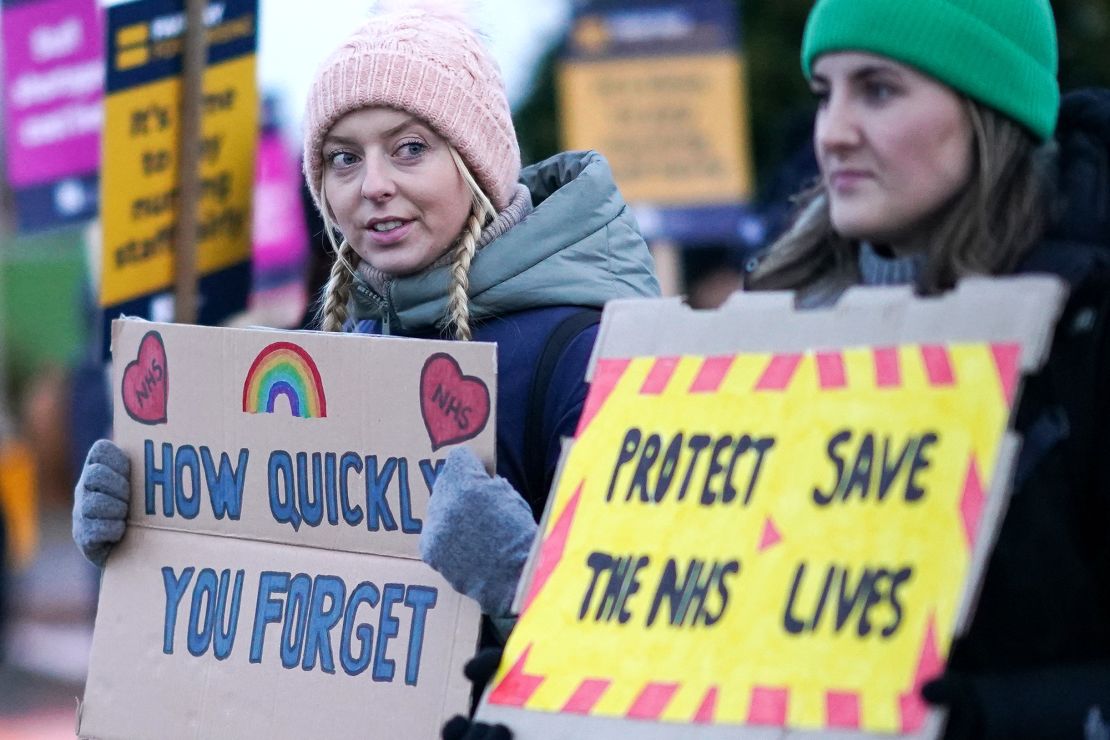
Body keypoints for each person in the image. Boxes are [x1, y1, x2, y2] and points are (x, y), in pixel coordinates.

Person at [72, 0, 658, 649]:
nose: (371, 184)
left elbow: (667, 644)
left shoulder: (589, 354)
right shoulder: (348, 356)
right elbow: (280, 613)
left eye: (409, 149)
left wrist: (524, 582)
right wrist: (149, 540)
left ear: (476, 158)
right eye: (344, 159)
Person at [742, 0, 1110, 737]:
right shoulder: (763, 331)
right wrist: (550, 709)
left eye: (878, 89)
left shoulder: (1088, 333)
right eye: (825, 92)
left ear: (986, 108)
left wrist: (992, 716)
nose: (833, 132)